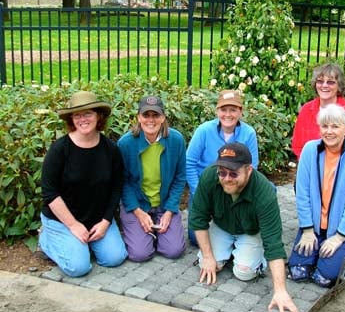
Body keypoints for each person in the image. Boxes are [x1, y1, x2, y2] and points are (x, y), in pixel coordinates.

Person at [189, 142, 298, 312]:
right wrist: (208, 257)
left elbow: (274, 244)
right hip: (222, 226)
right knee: (208, 265)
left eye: (233, 173)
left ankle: (256, 257)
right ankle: (224, 254)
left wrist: (280, 291)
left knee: (244, 272)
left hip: (250, 231)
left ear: (249, 170)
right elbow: (197, 219)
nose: (226, 178)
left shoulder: (264, 192)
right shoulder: (209, 177)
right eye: (222, 172)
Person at [39, 90, 128, 277]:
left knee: (115, 258)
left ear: (98, 116)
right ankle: (47, 239)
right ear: (71, 119)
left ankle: (83, 243)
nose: (82, 119)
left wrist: (105, 222)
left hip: (97, 219)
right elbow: (49, 193)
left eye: (88, 113)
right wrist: (73, 225)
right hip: (63, 220)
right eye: (77, 115)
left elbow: (116, 187)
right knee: (78, 268)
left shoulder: (110, 150)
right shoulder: (59, 150)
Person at [288, 104, 345, 287]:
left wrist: (339, 237)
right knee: (298, 272)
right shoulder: (310, 150)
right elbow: (302, 194)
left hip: (340, 228)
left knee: (324, 278)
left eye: (335, 126)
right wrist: (307, 230)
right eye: (325, 126)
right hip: (314, 226)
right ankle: (314, 245)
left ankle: (333, 251)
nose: (329, 131)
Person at [118, 95, 186, 262]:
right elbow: (123, 182)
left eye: (156, 115)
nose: (151, 120)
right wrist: (138, 212)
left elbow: (180, 178)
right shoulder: (125, 144)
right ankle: (145, 234)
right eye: (146, 115)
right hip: (137, 204)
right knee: (140, 254)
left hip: (164, 203)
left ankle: (156, 232)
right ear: (138, 117)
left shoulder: (176, 140)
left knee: (174, 250)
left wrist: (170, 211)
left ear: (163, 117)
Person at [186, 89, 258, 246]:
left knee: (268, 189)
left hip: (234, 186)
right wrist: (198, 191)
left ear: (240, 112)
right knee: (195, 238)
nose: (228, 114)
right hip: (206, 187)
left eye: (233, 110)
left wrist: (237, 191)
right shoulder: (204, 130)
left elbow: (253, 167)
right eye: (223, 109)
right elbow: (189, 163)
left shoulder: (248, 133)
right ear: (217, 110)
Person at [291, 63, 345, 159]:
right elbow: (297, 146)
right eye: (320, 81)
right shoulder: (306, 110)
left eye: (330, 82)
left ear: (339, 86)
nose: (324, 85)